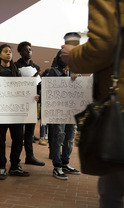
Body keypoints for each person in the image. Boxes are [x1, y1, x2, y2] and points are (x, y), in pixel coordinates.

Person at [60, 0, 124, 206]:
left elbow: (101, 47)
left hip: (120, 118)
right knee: (110, 192)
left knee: (113, 192)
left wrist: (71, 54)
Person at [0, 44, 39, 180]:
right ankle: (2, 167)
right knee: (0, 141)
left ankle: (15, 166)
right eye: (5, 51)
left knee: (18, 139)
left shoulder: (16, 71)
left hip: (15, 113)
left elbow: (22, 91)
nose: (9, 54)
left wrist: (32, 96)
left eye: (10, 52)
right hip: (0, 113)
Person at [48, 32, 81, 180]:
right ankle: (57, 166)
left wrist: (75, 79)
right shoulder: (53, 72)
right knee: (58, 137)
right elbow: (48, 91)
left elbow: (80, 92)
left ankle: (65, 163)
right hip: (58, 111)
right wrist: (65, 78)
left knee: (70, 138)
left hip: (72, 110)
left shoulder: (76, 73)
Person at [14, 41, 45, 166]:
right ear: (20, 52)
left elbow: (39, 86)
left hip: (32, 104)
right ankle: (15, 160)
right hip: (20, 104)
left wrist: (39, 95)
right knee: (18, 133)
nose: (29, 51)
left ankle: (30, 157)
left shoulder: (36, 67)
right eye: (26, 49)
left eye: (30, 49)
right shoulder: (15, 66)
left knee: (30, 133)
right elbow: (14, 85)